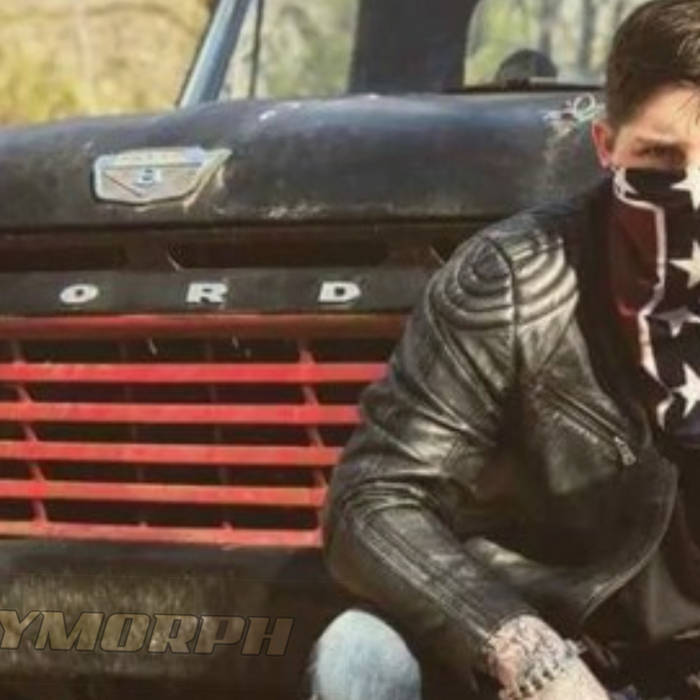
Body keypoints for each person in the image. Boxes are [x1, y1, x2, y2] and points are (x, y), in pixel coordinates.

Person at [306, 1, 700, 698]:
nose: (691, 192)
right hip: (557, 649)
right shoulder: (513, 278)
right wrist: (527, 654)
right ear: (605, 146)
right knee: (359, 654)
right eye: (659, 158)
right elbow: (372, 499)